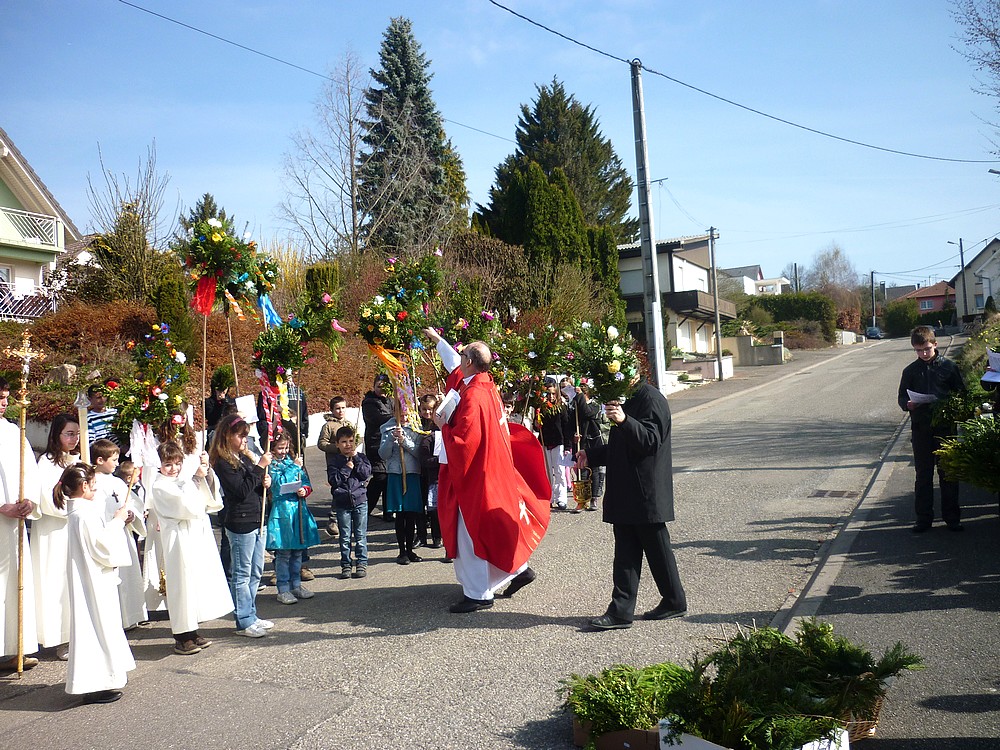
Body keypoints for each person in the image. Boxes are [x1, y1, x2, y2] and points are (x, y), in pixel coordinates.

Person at [426, 329, 551, 614]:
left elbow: (464, 441)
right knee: (493, 527)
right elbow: (453, 366)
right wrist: (437, 340)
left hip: (475, 474)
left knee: (468, 533)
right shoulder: (485, 385)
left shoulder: (473, 396)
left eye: (463, 355)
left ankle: (478, 594)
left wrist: (442, 425)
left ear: (469, 362)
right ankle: (519, 569)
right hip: (492, 467)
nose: (459, 359)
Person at [577, 378, 687, 630]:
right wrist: (591, 455)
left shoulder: (650, 398)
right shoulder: (629, 398)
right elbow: (621, 446)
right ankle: (622, 611)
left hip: (645, 491)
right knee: (626, 552)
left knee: (658, 551)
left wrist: (624, 420)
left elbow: (650, 441)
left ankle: (673, 601)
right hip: (627, 491)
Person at [59, 462, 136, 704]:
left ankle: (104, 678)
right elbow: (101, 546)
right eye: (93, 486)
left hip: (92, 576)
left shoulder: (79, 512)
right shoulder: (83, 514)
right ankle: (96, 683)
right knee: (95, 626)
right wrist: (118, 520)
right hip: (93, 578)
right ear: (83, 487)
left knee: (98, 625)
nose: (95, 490)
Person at [150, 441, 233, 654]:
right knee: (181, 587)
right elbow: (186, 506)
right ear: (159, 466)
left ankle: (192, 630)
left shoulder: (181, 481)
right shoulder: (160, 486)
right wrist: (196, 478)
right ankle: (181, 635)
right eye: (168, 464)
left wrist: (206, 472)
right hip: (177, 542)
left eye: (177, 463)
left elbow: (207, 500)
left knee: (193, 586)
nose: (174, 469)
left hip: (192, 539)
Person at [897, 325, 967, 532]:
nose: (923, 353)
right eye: (919, 350)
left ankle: (952, 518)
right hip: (921, 428)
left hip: (945, 427)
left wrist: (951, 404)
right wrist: (907, 404)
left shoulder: (949, 367)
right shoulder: (910, 371)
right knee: (923, 475)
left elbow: (961, 393)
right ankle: (924, 519)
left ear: (935, 345)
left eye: (926, 349)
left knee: (948, 474)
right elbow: (902, 396)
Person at [209, 413, 273, 638]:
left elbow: (254, 485)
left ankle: (252, 614)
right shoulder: (222, 462)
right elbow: (240, 490)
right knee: (242, 573)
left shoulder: (245, 457)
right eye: (241, 436)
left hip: (257, 517)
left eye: (246, 436)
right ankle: (243, 620)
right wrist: (259, 469)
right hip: (240, 520)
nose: (245, 440)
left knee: (256, 571)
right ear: (228, 436)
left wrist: (265, 481)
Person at [0, 377, 41, 672]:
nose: (3, 402)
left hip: (15, 522)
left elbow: (31, 471)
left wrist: (30, 500)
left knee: (16, 582)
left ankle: (15, 647)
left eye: (5, 397)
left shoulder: (16, 432)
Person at [32, 412, 80, 660]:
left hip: (77, 530)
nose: (74, 439)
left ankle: (78, 634)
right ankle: (61, 638)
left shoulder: (82, 460)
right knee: (57, 582)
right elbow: (47, 498)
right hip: (55, 531)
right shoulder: (47, 463)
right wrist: (75, 507)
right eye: (69, 434)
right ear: (56, 435)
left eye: (77, 434)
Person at [91, 439, 147, 630]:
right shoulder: (92, 483)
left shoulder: (118, 482)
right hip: (107, 533)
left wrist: (131, 515)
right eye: (113, 459)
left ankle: (130, 617)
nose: (117, 463)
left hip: (122, 533)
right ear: (99, 460)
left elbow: (130, 503)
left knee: (127, 576)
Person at [266, 432, 320, 604]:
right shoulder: (271, 466)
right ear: (273, 448)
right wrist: (294, 467)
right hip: (282, 511)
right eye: (280, 448)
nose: (284, 451)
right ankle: (283, 588)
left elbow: (305, 481)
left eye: (286, 447)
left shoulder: (292, 463)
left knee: (298, 551)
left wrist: (305, 489)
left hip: (298, 509)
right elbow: (278, 484)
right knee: (284, 552)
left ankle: (296, 584)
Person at [327, 425, 372, 579]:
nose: (348, 445)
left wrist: (357, 459)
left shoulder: (361, 457)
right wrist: (346, 469)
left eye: (351, 441)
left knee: (360, 535)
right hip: (342, 503)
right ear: (337, 444)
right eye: (344, 442)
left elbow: (365, 474)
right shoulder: (334, 462)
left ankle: (361, 563)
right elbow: (334, 481)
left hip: (359, 501)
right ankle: (346, 564)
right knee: (345, 536)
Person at [379, 412, 423, 565]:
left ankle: (410, 549)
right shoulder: (386, 429)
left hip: (411, 474)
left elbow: (419, 452)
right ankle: (402, 551)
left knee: (410, 513)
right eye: (401, 414)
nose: (404, 417)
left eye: (406, 414)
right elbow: (383, 454)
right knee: (400, 514)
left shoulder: (417, 428)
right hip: (396, 474)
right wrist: (391, 439)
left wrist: (404, 441)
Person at [317, 396, 355, 537]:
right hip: (335, 463)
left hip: (349, 462)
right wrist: (337, 448)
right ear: (332, 410)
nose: (340, 411)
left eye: (343, 408)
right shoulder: (328, 426)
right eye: (337, 408)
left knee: (348, 488)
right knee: (337, 489)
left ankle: (345, 518)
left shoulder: (349, 424)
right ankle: (333, 520)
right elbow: (322, 443)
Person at [362, 374, 394, 520]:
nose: (381, 390)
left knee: (389, 477)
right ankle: (365, 507)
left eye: (384, 387)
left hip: (390, 442)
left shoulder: (392, 401)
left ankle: (388, 511)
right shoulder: (369, 403)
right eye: (378, 386)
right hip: (376, 443)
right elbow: (378, 419)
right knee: (380, 477)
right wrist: (397, 417)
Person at [537, 377, 572, 510]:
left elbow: (566, 427)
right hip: (545, 442)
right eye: (548, 394)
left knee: (559, 471)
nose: (551, 396)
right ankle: (549, 497)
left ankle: (561, 498)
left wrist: (568, 446)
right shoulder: (541, 408)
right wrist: (537, 423)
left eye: (553, 394)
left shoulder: (561, 407)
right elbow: (537, 427)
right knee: (547, 472)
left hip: (558, 442)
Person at [572, 382, 606, 512]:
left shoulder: (595, 406)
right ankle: (582, 500)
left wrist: (579, 396)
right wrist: (573, 435)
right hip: (582, 442)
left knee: (595, 471)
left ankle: (594, 498)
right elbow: (570, 423)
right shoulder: (576, 407)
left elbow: (587, 413)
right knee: (582, 470)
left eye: (580, 395)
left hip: (594, 442)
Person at [418, 394, 442, 550]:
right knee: (425, 507)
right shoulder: (418, 425)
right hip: (421, 471)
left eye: (431, 409)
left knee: (437, 508)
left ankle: (438, 536)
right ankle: (422, 536)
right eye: (424, 409)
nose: (427, 413)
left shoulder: (439, 429)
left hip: (437, 474)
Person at [204, 367, 237, 445]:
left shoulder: (231, 401)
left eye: (223, 390)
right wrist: (220, 404)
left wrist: (225, 402)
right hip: (214, 431)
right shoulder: (208, 402)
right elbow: (212, 418)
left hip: (229, 432)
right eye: (218, 390)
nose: (221, 392)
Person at [87, 383, 120, 447]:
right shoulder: (89, 418)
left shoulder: (114, 412)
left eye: (104, 396)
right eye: (98, 397)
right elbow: (91, 442)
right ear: (90, 399)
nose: (102, 400)